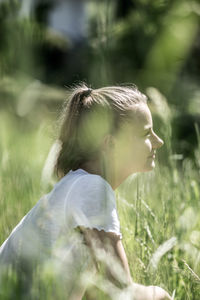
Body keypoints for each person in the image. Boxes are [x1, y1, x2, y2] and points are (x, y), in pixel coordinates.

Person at [0, 84, 172, 300]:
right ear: (110, 144)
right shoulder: (91, 187)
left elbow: (96, 293)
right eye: (147, 133)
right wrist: (162, 295)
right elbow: (121, 291)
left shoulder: (78, 185)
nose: (159, 141)